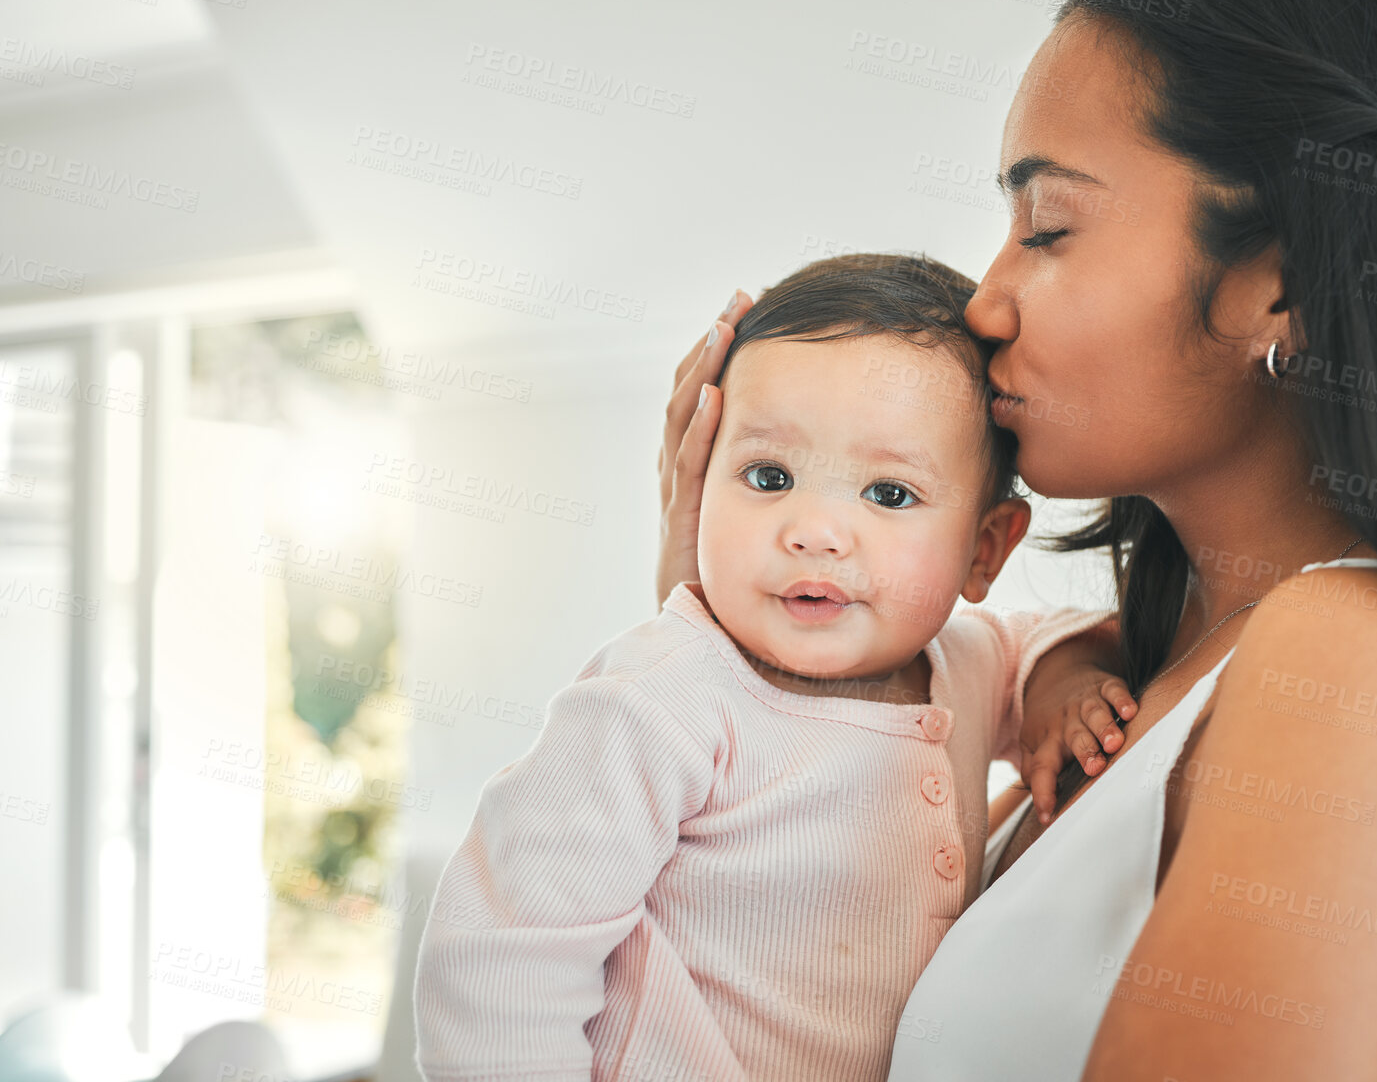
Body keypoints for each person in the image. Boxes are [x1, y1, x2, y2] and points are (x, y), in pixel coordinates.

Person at [657, 0, 1377, 1079]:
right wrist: (698, 607)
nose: (986, 302)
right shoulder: (1124, 673)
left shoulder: (1358, 674)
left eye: (1048, 226)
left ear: (1282, 284)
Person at [413, 252, 1126, 1082]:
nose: (814, 530)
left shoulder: (966, 664)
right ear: (695, 487)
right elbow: (500, 960)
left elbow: (1052, 638)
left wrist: (1066, 682)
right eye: (769, 476)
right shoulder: (660, 697)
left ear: (984, 547)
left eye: (888, 494)